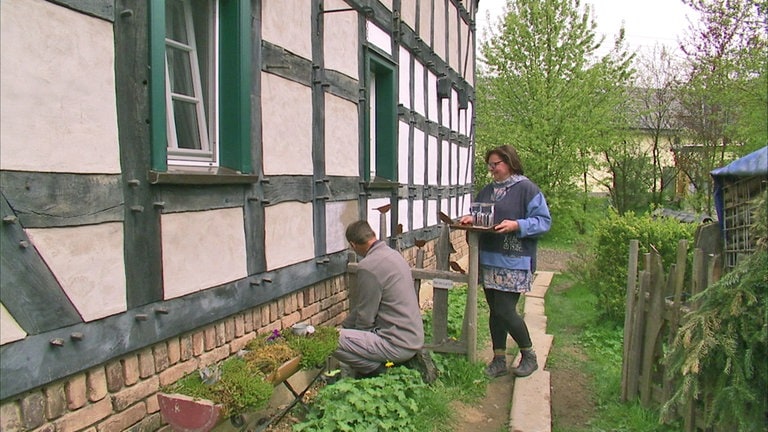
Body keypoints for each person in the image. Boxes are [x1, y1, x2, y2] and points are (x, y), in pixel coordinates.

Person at [459, 145, 551, 378]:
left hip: (514, 261)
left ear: (509, 163)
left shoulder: (527, 189)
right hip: (488, 259)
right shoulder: (488, 190)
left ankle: (529, 354)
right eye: (489, 165)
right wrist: (472, 218)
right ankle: (499, 358)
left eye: (495, 164)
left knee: (505, 310)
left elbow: (543, 221)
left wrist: (517, 225)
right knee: (494, 311)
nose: (491, 170)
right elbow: (484, 215)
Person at [334, 220, 425, 378]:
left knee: (329, 340)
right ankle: (376, 370)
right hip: (412, 337)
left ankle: (375, 372)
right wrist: (346, 326)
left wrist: (354, 339)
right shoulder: (393, 255)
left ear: (353, 245)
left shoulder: (369, 266)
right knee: (342, 336)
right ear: (373, 235)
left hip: (396, 343)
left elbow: (365, 316)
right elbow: (364, 306)